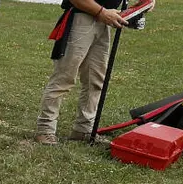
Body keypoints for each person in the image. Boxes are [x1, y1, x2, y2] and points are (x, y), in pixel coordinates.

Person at [35, 0, 127, 145]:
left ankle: (83, 129)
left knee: (95, 80)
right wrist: (102, 12)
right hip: (82, 18)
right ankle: (45, 129)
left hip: (104, 21)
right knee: (64, 78)